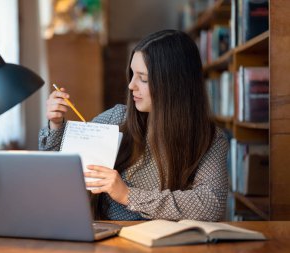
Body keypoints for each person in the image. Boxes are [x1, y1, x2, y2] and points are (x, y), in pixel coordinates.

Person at [39, 29, 229, 221]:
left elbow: (211, 203)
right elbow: (59, 171)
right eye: (132, 74)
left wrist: (127, 195)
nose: (131, 85)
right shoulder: (116, 119)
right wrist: (56, 125)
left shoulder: (210, 139)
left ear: (174, 85)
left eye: (143, 78)